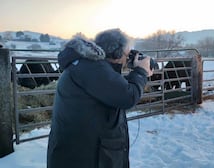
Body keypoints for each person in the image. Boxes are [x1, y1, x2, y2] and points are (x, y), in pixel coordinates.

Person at [47, 28, 153, 168]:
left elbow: (110, 88)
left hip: (77, 152)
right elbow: (128, 96)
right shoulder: (92, 68)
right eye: (126, 55)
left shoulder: (86, 65)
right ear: (115, 53)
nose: (126, 60)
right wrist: (140, 72)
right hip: (84, 157)